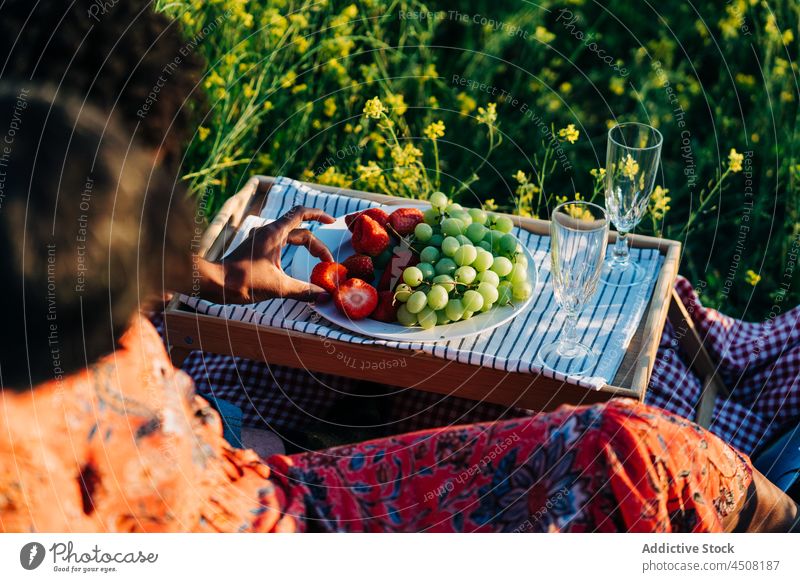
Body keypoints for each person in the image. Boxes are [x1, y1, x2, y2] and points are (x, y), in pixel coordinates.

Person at [2, 0, 796, 461]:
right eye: (154, 159)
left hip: (213, 426)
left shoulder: (52, 262)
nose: (166, 176)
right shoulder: (46, 410)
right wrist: (265, 450)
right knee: (639, 453)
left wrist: (216, 281)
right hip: (250, 480)